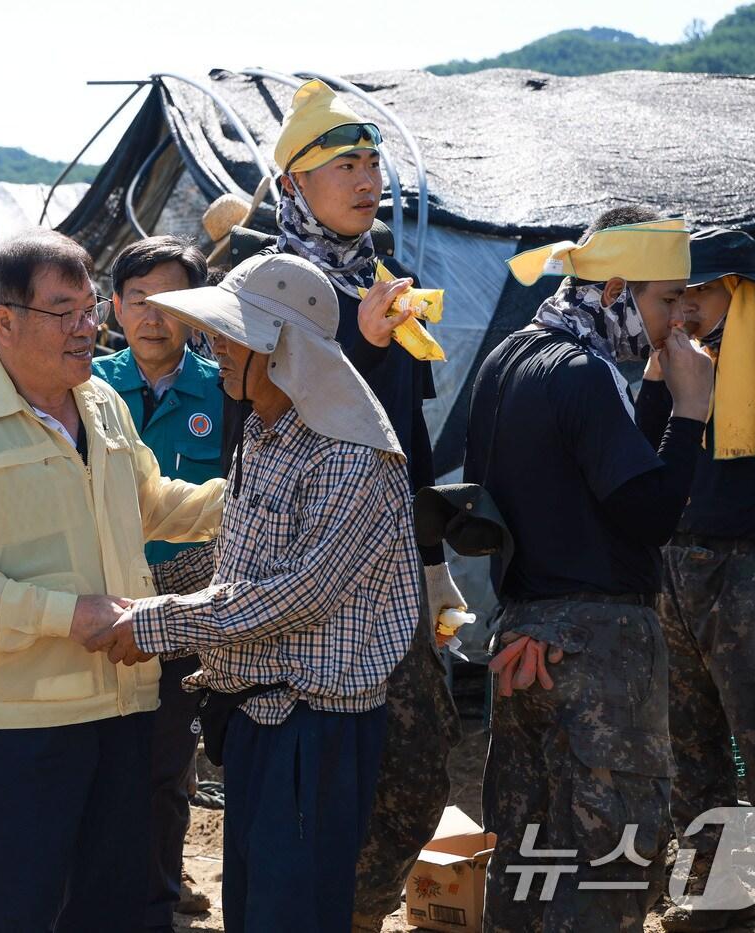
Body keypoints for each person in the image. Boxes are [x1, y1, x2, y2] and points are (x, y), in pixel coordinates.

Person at [0, 229, 225, 933]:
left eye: (88, 309)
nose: (88, 328)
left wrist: (248, 499)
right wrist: (65, 615)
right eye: (64, 310)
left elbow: (149, 501)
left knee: (110, 910)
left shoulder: (102, 403)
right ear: (6, 321)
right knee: (21, 912)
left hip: (124, 708)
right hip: (20, 725)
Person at [96, 252, 419, 932]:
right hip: (256, 719)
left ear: (282, 349)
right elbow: (236, 563)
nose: (216, 347)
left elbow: (293, 593)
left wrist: (154, 621)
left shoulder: (348, 453)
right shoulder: (266, 431)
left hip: (311, 728)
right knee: (251, 908)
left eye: (230, 335)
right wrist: (140, 596)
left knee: (290, 912)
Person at [233, 78, 464, 929]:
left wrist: (435, 566)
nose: (368, 179)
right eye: (345, 164)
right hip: (301, 576)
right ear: (293, 183)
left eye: (373, 161)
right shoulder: (261, 288)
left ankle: (359, 909)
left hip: (388, 573)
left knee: (417, 771)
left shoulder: (385, 284)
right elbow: (268, 430)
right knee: (308, 779)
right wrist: (357, 349)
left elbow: (413, 436)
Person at [464, 209, 710, 932]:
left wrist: (661, 388)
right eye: (667, 299)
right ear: (614, 291)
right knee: (609, 859)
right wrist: (692, 412)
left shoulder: (509, 357)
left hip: (522, 632)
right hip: (599, 647)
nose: (679, 317)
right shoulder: (585, 372)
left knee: (527, 853)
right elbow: (650, 512)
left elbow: (566, 486)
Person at [637, 227, 755, 933]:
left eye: (697, 294)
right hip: (678, 568)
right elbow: (646, 453)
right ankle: (718, 889)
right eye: (675, 296)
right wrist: (657, 375)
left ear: (737, 292)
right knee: (692, 740)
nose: (682, 311)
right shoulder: (681, 367)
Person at [91, 236, 221, 928]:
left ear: (194, 312)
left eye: (169, 300)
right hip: (94, 603)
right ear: (114, 306)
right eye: (137, 298)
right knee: (93, 761)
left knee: (168, 766)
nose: (151, 314)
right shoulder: (85, 386)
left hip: (183, 609)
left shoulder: (224, 390)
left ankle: (156, 899)